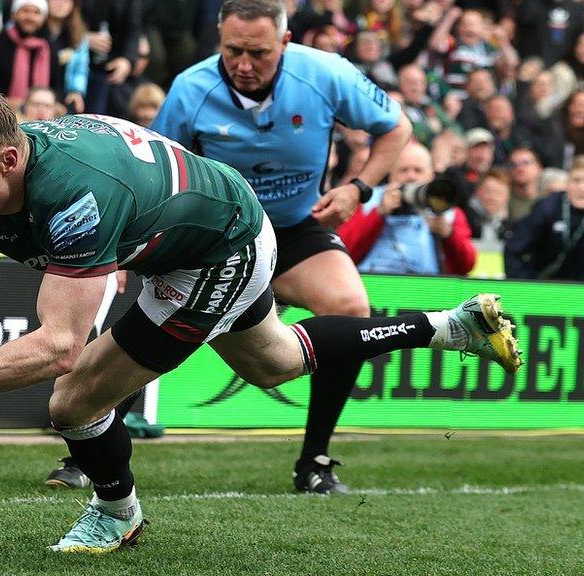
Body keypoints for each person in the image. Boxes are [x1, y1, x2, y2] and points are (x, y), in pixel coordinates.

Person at [0, 89, 520, 553]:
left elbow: (59, 346)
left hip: (221, 246)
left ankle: (117, 514)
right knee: (274, 360)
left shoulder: (75, 196)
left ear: (8, 157)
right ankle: (449, 326)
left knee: (76, 397)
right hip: (184, 232)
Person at [151, 0, 412, 494]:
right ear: (218, 41)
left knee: (351, 306)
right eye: (233, 51)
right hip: (219, 237)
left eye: (259, 53)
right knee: (152, 319)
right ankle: (88, 446)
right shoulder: (191, 89)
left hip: (294, 228)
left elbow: (397, 127)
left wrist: (359, 188)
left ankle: (314, 460)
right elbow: (159, 169)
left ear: (286, 43)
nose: (244, 65)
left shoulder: (326, 73)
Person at [339, 141, 475, 276]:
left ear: (431, 175)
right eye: (403, 170)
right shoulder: (367, 200)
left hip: (427, 290)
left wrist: (449, 234)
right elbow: (343, 250)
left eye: (418, 170)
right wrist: (378, 214)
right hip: (372, 285)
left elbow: (467, 266)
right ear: (391, 173)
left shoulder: (447, 210)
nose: (411, 177)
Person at [505, 154, 584, 283]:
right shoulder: (547, 207)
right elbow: (514, 248)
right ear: (567, 182)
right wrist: (526, 282)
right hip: (548, 283)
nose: (582, 187)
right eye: (576, 180)